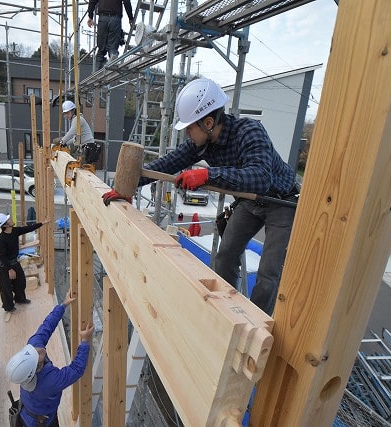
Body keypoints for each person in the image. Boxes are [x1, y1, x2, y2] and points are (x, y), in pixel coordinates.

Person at [102, 78, 298, 316]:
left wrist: (207, 175)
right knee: (225, 256)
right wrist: (129, 185)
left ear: (208, 122)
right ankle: (228, 313)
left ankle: (256, 326)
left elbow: (260, 177)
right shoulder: (201, 142)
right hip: (250, 202)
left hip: (281, 201)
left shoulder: (249, 131)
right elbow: (167, 164)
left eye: (189, 128)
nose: (187, 133)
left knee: (269, 273)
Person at [6, 292, 95, 426]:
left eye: (35, 351)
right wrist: (84, 341)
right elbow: (77, 369)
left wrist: (63, 305)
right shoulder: (49, 382)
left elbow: (47, 326)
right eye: (38, 357)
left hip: (28, 411)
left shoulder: (32, 347)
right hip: (40, 422)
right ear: (34, 371)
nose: (41, 350)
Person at [0, 213, 47, 313]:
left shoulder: (14, 231)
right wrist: (10, 270)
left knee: (21, 281)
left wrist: (42, 223)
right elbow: (2, 257)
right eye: (8, 220)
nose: (11, 220)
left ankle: (20, 299)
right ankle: (8, 307)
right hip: (4, 265)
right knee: (6, 287)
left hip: (13, 262)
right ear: (5, 225)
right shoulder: (0, 240)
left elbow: (27, 229)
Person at [86, 0, 134, 69]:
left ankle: (99, 66)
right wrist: (131, 18)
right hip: (115, 18)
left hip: (103, 18)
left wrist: (90, 16)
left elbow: (92, 1)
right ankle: (113, 54)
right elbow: (126, 2)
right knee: (113, 46)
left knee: (101, 46)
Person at [54, 100, 101, 165]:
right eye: (65, 113)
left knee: (83, 169)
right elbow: (75, 138)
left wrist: (62, 142)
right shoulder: (76, 120)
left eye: (67, 113)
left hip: (88, 147)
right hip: (87, 147)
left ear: (73, 111)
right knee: (81, 167)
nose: (66, 115)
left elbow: (71, 133)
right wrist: (66, 144)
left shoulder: (78, 119)